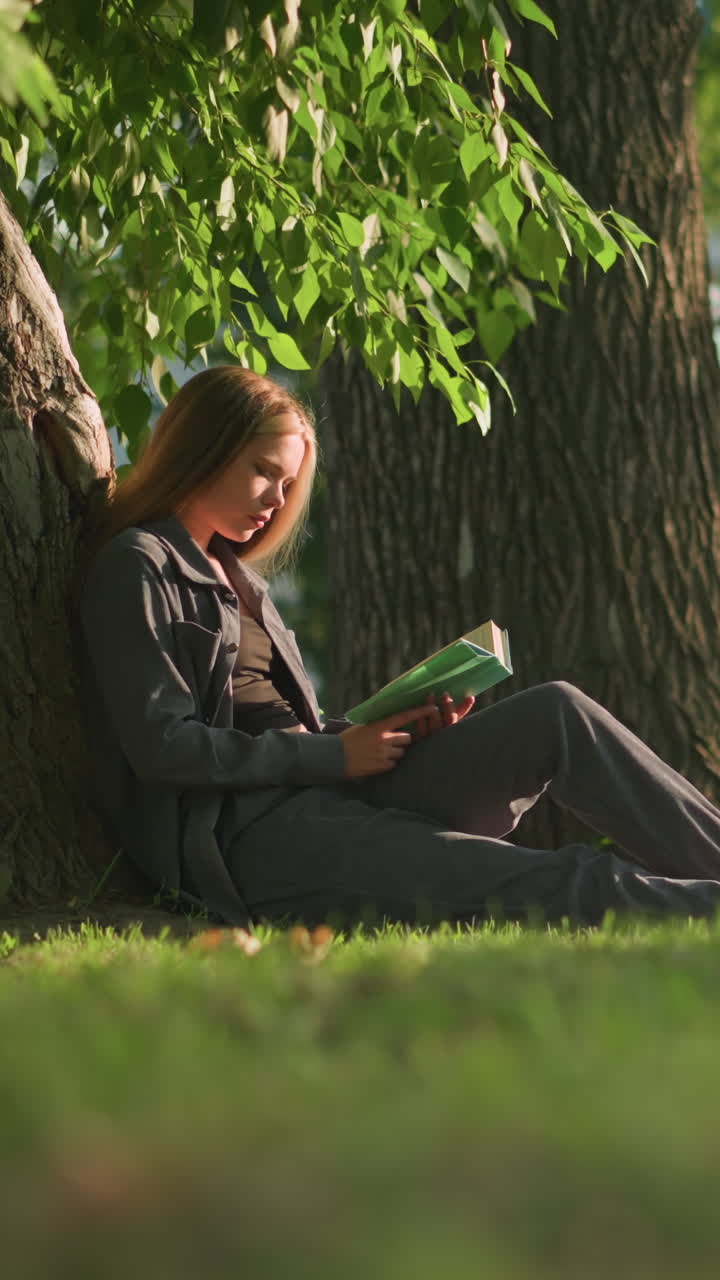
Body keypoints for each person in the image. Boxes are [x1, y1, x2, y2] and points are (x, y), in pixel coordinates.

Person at [78, 366, 720, 932]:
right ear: (204, 449)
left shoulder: (240, 579)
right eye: (262, 471)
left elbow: (292, 729)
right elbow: (164, 748)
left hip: (327, 789)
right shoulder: (139, 565)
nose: (277, 502)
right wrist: (334, 756)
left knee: (559, 712)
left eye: (288, 481)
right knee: (551, 880)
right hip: (253, 840)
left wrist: (386, 730)